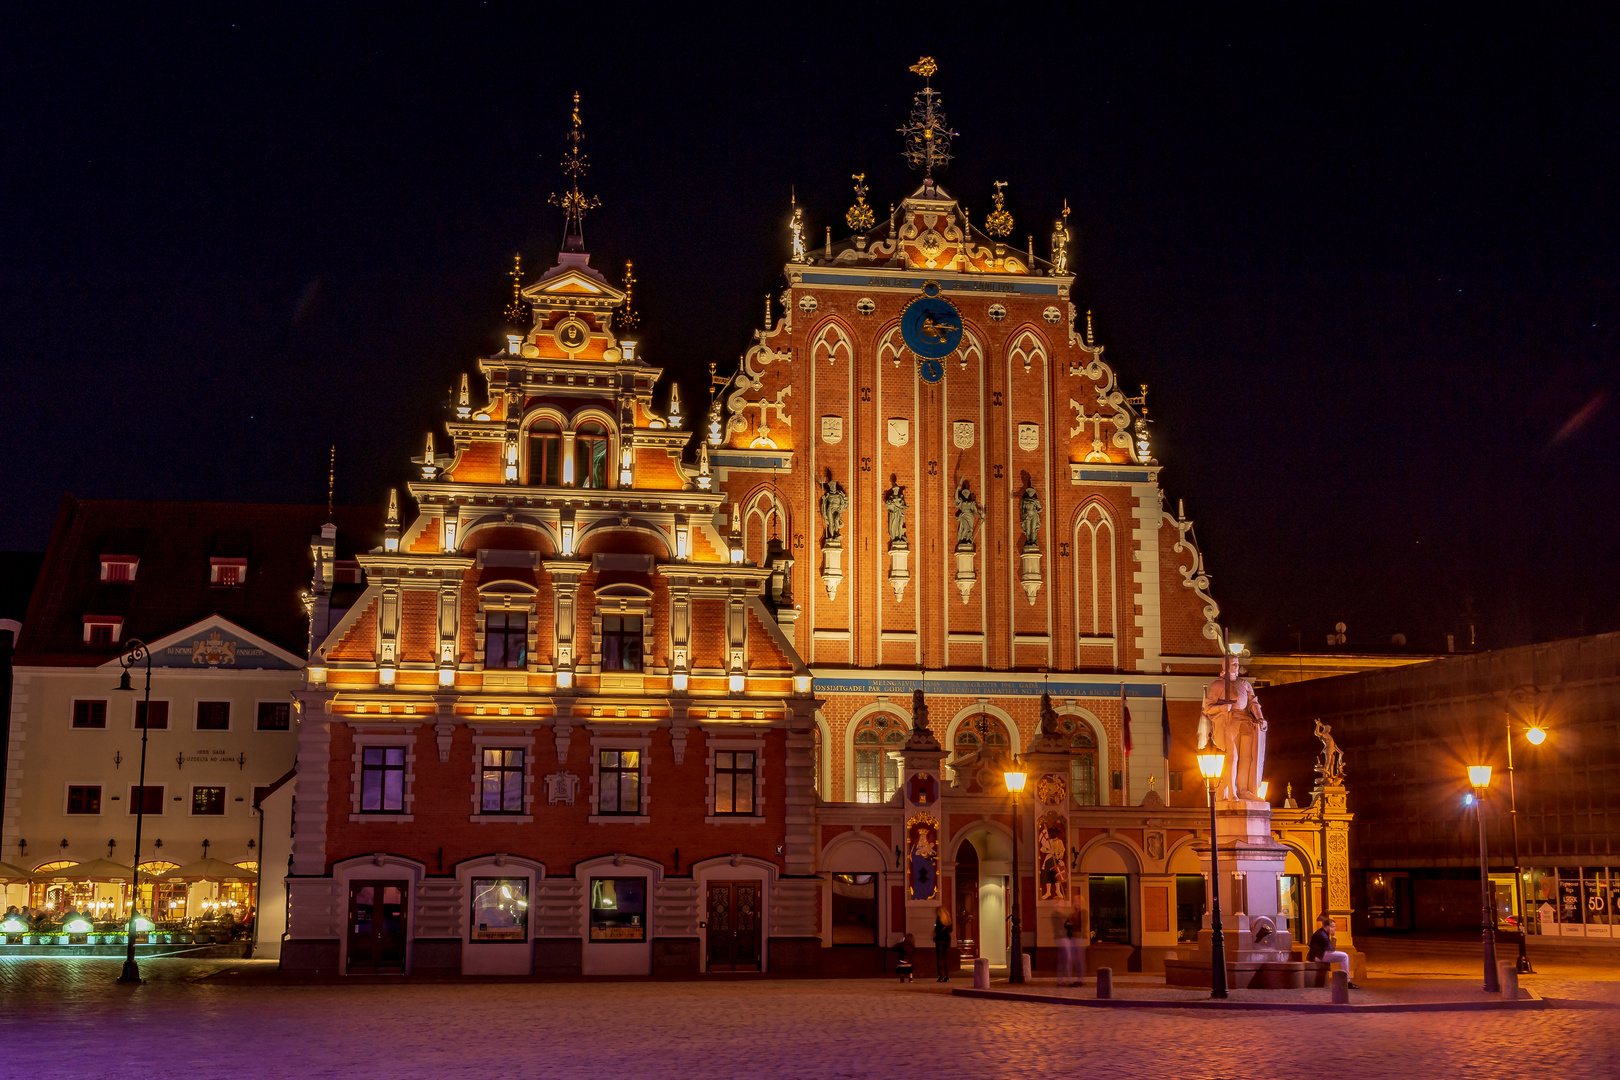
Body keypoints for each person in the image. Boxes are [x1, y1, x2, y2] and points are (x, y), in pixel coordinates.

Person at [1306, 914, 1358, 989]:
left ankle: (1346, 981)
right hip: (1319, 956)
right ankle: (1347, 981)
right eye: (1332, 926)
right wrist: (1333, 937)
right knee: (1344, 956)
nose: (1334, 928)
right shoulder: (1322, 935)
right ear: (1325, 927)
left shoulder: (1322, 932)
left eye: (1334, 926)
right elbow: (1331, 948)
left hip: (1320, 954)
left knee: (1344, 956)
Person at [933, 907, 952, 982]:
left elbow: (936, 930)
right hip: (947, 939)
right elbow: (951, 930)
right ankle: (947, 975)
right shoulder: (949, 919)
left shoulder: (939, 918)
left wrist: (935, 926)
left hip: (940, 940)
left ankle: (941, 975)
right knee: (946, 958)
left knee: (940, 958)